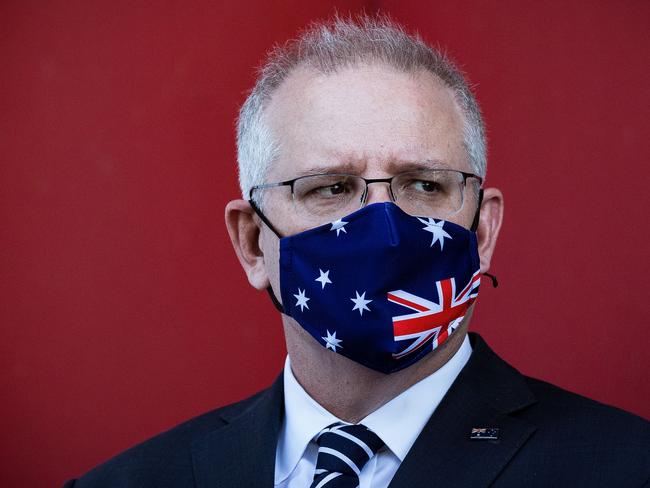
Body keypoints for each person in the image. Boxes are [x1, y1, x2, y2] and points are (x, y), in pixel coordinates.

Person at [63, 15, 649, 488]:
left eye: (424, 184)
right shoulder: (129, 481)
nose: (384, 230)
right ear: (251, 241)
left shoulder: (626, 468)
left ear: (484, 231)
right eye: (330, 188)